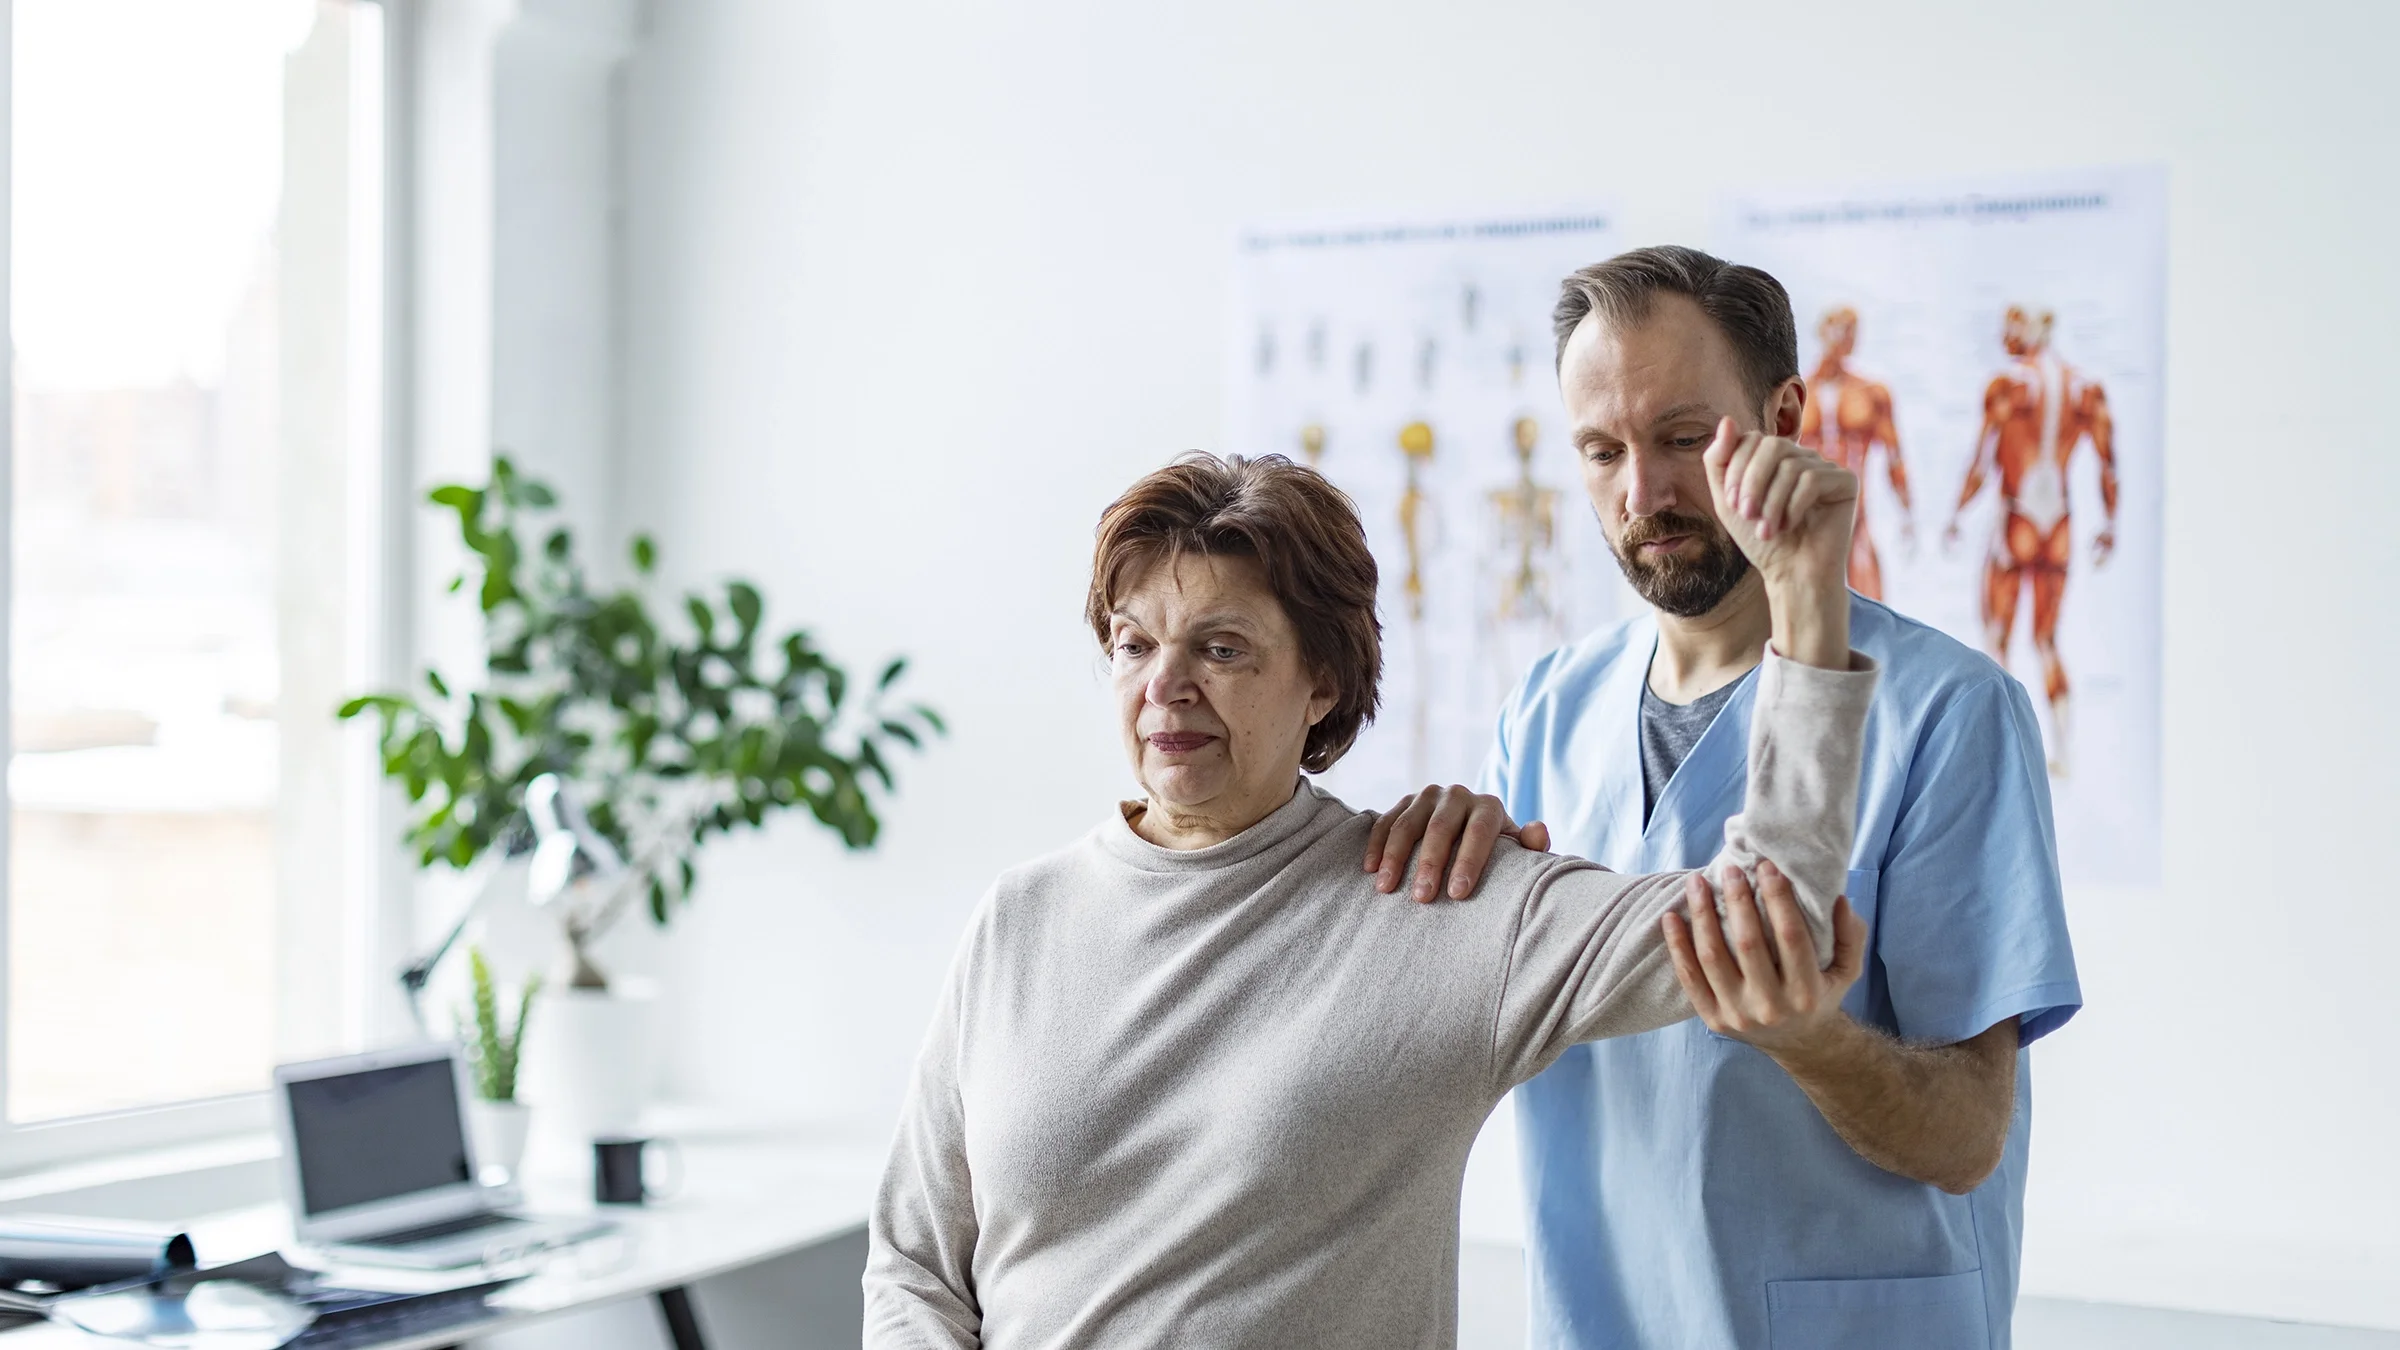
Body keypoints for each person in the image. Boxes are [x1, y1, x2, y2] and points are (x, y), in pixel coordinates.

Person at [865, 435, 1876, 1349]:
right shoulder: (1018, 922)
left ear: (1323, 685)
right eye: (1134, 643)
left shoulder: (1444, 903)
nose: (1164, 684)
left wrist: (1806, 603)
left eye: (1221, 649)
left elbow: (1770, 908)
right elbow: (914, 1264)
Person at [1369, 247, 2081, 1350]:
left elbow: (1967, 1136)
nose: (1642, 495)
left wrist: (1815, 1040)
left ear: (1786, 415)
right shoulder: (1548, 714)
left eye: (1684, 439)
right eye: (1602, 452)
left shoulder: (1948, 712)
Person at [1945, 303, 2119, 776]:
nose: (2003, 334)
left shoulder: (2010, 385)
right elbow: (2108, 464)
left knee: (1997, 637)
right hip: (2058, 523)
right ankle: (2062, 750)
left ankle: (2002, 754)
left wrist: (1957, 513)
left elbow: (1983, 464)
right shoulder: (2086, 388)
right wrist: (2110, 523)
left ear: (2030, 328)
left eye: (2011, 325)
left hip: (2017, 519)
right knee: (2046, 639)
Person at [1798, 305, 1914, 601]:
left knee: (1870, 605)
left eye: (1852, 332)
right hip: (1807, 516)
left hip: (1855, 516)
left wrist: (1906, 512)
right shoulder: (1798, 395)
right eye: (1842, 329)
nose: (1848, 339)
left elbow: (1894, 456)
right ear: (1824, 333)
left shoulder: (1871, 393)